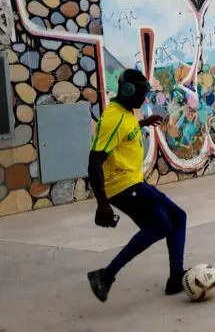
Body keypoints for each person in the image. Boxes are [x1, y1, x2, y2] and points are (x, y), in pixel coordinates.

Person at [86, 69, 188, 302]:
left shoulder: (124, 112)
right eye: (140, 96)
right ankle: (107, 275)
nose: (143, 100)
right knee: (173, 219)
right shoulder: (113, 118)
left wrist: (143, 122)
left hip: (132, 182)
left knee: (164, 223)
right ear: (127, 91)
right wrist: (102, 205)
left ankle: (172, 279)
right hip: (124, 186)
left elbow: (124, 130)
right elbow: (94, 163)